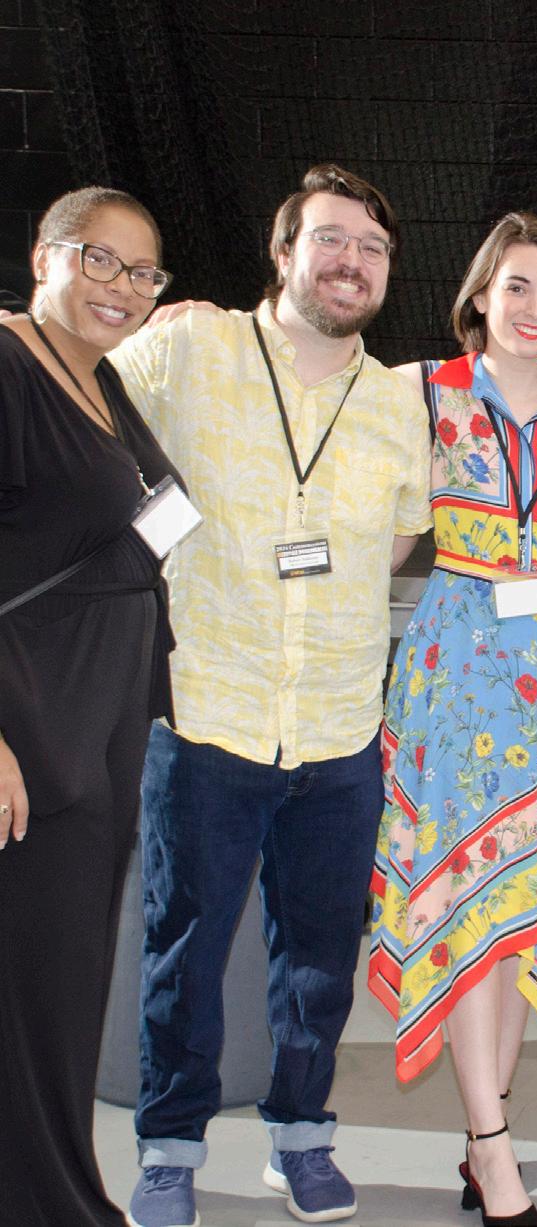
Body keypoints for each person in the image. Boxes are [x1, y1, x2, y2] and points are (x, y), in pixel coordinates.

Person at [111, 165, 433, 1227]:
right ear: (283, 251)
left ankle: (302, 1136)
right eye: (331, 239)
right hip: (209, 708)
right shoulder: (189, 349)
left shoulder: (396, 402)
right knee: (185, 950)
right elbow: (71, 391)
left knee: (319, 960)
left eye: (372, 249)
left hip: (340, 725)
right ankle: (169, 1147)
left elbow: (400, 536)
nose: (351, 262)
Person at [367, 212, 537, 1226]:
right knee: (467, 905)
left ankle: (490, 1136)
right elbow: (380, 534)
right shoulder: (420, 392)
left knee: (518, 918)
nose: (535, 308)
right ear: (479, 293)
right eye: (517, 286)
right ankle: (493, 1146)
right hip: (455, 683)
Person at [0, 187, 179, 1227]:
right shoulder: (9, 366)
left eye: (142, 272)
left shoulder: (99, 376)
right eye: (98, 260)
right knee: (33, 987)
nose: (121, 287)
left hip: (102, 716)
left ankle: (55, 1192)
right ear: (44, 255)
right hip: (31, 717)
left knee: (61, 986)